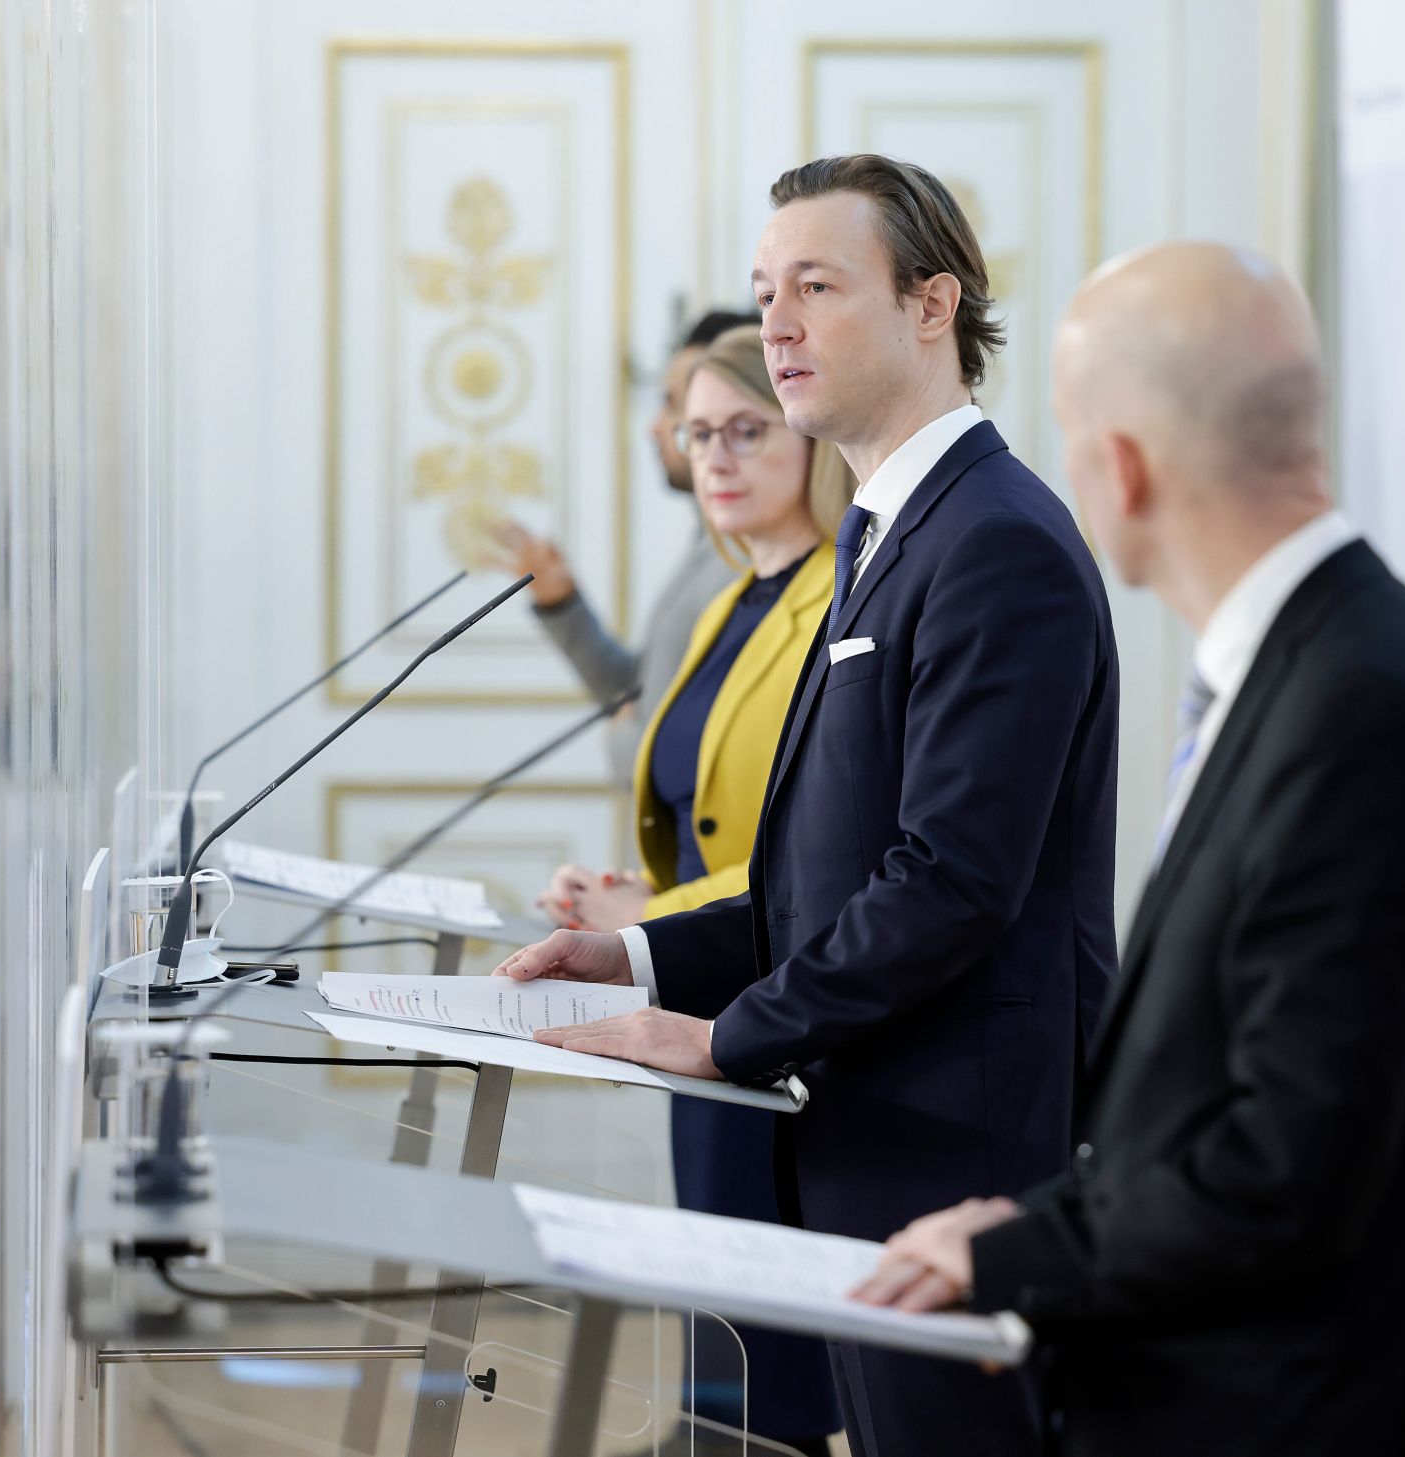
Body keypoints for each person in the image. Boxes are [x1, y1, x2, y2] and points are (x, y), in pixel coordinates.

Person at [854, 243, 1405, 1457]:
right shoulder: (1322, 669)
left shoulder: (1359, 709)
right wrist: (1040, 1212)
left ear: (1118, 465)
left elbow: (1291, 1165)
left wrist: (1011, 1248)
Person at [498, 155, 1121, 1457]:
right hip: (871, 1123)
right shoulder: (887, 532)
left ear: (931, 304)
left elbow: (949, 879)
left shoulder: (992, 539)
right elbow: (821, 872)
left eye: (818, 284)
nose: (777, 321)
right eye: (764, 288)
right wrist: (646, 953)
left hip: (957, 1142)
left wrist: (725, 1036)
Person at [539, 324, 852, 1455]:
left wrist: (651, 921)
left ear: (811, 438)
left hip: (781, 1005)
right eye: (697, 433)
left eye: (745, 430)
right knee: (717, 1302)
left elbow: (817, 852)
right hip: (701, 992)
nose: (713, 457)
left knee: (772, 1342)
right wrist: (628, 894)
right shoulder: (731, 597)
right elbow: (708, 815)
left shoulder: (837, 599)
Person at [490, 309, 757, 785]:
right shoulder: (710, 546)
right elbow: (641, 691)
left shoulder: (748, 561)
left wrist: (624, 739)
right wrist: (563, 606)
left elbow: (702, 766)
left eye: (673, 403)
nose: (657, 427)